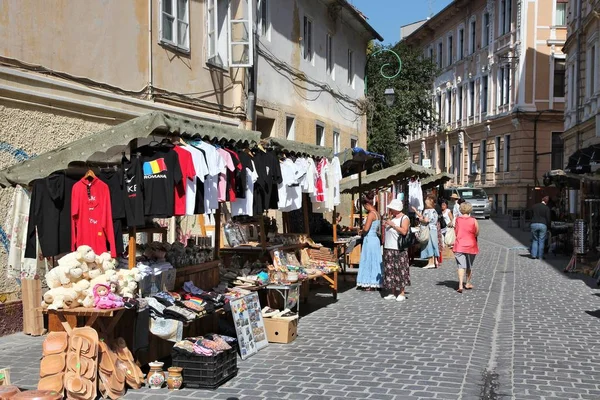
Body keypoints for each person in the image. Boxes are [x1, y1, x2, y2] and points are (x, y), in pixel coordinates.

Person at [382, 199, 411, 301]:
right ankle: (392, 292)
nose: (390, 210)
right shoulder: (393, 218)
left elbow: (404, 231)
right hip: (389, 247)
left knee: (400, 270)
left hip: (399, 248)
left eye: (391, 208)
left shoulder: (404, 218)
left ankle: (402, 292)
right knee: (390, 270)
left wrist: (393, 225)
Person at [356, 190, 383, 290]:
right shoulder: (377, 214)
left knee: (369, 260)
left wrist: (361, 231)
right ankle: (377, 282)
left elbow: (366, 228)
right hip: (375, 239)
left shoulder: (371, 214)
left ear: (367, 204)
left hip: (369, 239)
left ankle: (369, 282)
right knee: (375, 260)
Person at [454, 202, 479, 293]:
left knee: (460, 266)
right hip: (471, 245)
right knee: (469, 265)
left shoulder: (458, 219)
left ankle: (460, 284)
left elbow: (456, 231)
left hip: (460, 244)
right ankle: (467, 283)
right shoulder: (473, 220)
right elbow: (477, 232)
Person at [412, 197, 439, 269]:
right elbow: (423, 217)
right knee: (431, 244)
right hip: (432, 229)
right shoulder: (432, 211)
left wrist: (421, 220)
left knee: (429, 244)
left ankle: (431, 262)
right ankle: (433, 261)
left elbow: (426, 220)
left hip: (428, 229)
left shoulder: (429, 211)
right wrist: (416, 211)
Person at [531, 196, 551, 260]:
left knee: (535, 240)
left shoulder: (534, 206)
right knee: (541, 241)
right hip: (543, 224)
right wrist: (548, 226)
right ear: (547, 202)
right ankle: (540, 256)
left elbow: (530, 214)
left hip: (534, 224)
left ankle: (534, 255)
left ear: (542, 200)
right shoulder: (546, 208)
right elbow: (548, 219)